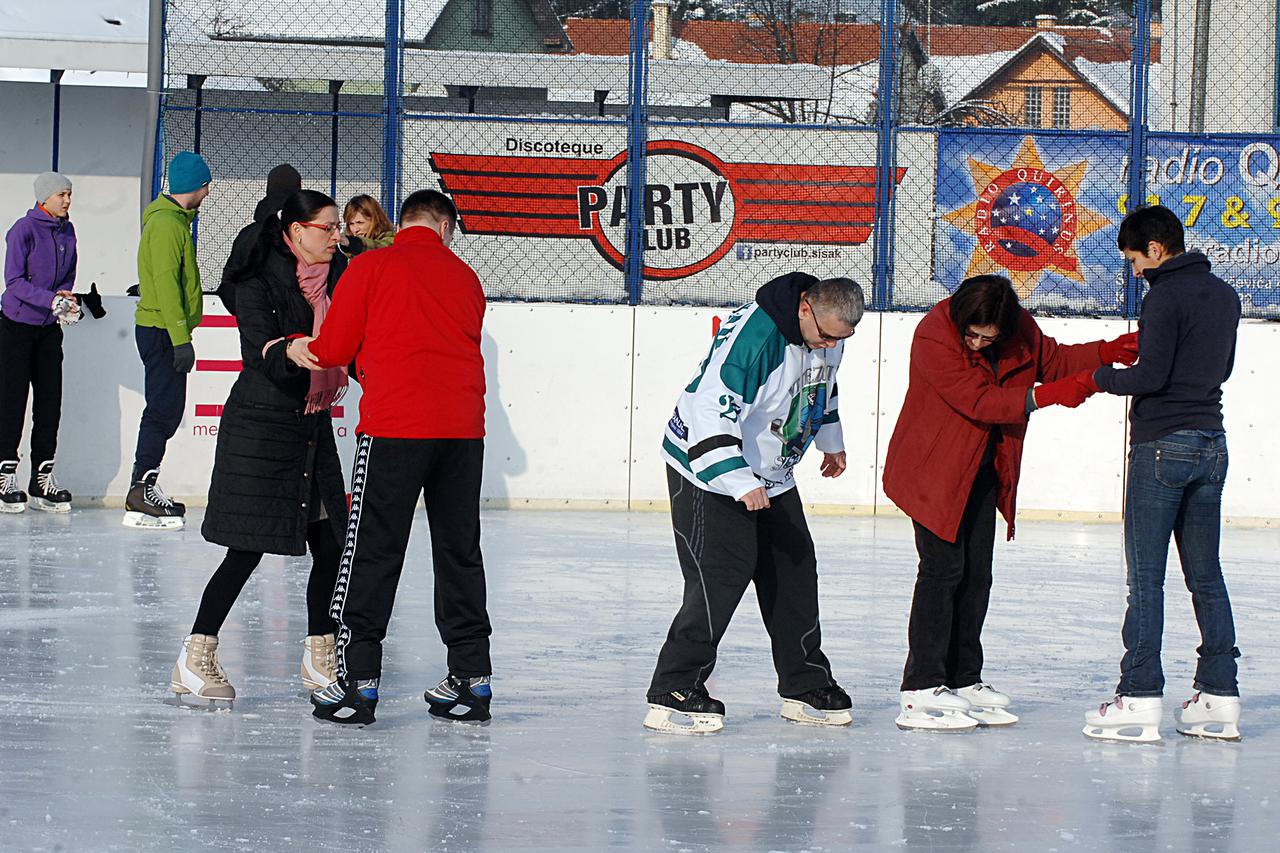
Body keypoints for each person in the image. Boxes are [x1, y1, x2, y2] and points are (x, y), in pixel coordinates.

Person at [882, 274, 1138, 732]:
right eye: (972, 334)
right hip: (933, 470)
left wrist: (1106, 352)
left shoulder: (1019, 328)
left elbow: (1054, 359)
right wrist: (1045, 396)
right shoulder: (933, 333)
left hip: (981, 469)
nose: (978, 343)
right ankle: (921, 687)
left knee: (977, 573)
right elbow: (977, 400)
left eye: (988, 336)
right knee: (942, 572)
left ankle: (963, 679)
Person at [288, 189, 491, 727]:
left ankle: (358, 683)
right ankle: (472, 678)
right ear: (445, 227)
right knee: (459, 551)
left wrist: (289, 344)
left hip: (396, 429)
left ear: (403, 224)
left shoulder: (372, 267)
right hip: (463, 433)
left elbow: (331, 349)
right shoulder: (466, 279)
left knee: (372, 550)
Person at [644, 272, 865, 735]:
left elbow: (823, 387)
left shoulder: (827, 335)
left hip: (772, 473)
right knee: (722, 575)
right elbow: (709, 410)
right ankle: (673, 690)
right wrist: (738, 481)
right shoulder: (755, 337)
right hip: (709, 467)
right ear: (805, 307)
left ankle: (804, 685)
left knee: (794, 569)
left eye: (840, 339)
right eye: (825, 336)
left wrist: (830, 440)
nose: (830, 346)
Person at [170, 190, 350, 704]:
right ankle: (195, 654)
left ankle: (321, 656)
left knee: (332, 545)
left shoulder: (339, 275)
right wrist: (292, 349)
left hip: (312, 426)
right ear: (296, 232)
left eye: (338, 227)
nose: (336, 237)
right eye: (327, 228)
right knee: (246, 547)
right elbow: (259, 350)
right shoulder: (258, 281)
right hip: (262, 426)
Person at [1081, 206, 1242, 743]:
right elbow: (1220, 370)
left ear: (1155, 248)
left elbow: (1150, 377)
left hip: (1162, 448)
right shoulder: (1224, 295)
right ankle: (1219, 695)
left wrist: (1101, 377)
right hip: (1212, 445)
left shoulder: (1163, 296)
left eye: (1133, 259)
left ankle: (1140, 695)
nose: (1133, 270)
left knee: (1146, 579)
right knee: (1206, 576)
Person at [124, 151, 211, 530]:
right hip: (162, 330)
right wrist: (180, 338)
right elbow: (165, 284)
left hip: (165, 328)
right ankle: (142, 487)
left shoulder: (172, 222)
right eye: (206, 185)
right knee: (162, 411)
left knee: (167, 410)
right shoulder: (167, 226)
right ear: (195, 185)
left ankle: (144, 483)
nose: (208, 193)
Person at [1, 172, 80, 513]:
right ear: (44, 197)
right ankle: (5, 476)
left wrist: (65, 297)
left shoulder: (68, 230)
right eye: (62, 194)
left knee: (49, 403)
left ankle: (42, 478)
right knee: (12, 403)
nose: (66, 200)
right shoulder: (23, 229)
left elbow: (67, 275)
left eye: (69, 194)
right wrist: (50, 300)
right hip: (16, 328)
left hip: (49, 330)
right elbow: (14, 281)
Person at [219, 163, 302, 313]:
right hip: (295, 323)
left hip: (256, 324)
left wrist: (248, 314)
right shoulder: (303, 234)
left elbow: (228, 284)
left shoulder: (248, 234)